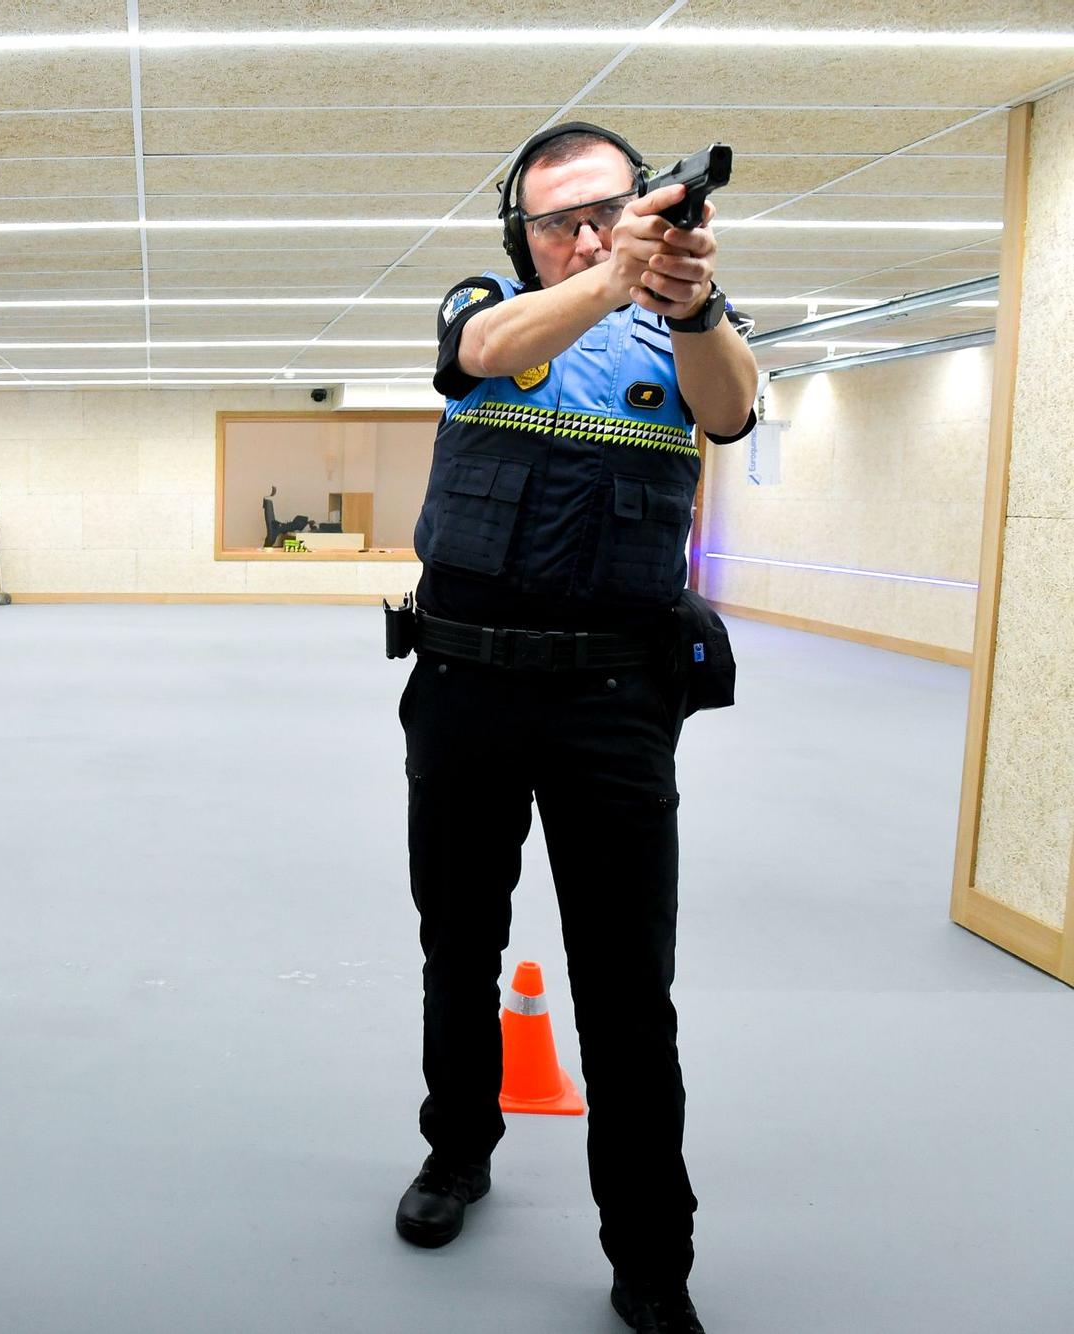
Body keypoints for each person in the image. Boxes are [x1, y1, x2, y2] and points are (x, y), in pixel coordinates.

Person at [391, 124, 757, 1334]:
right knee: (459, 947)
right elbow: (475, 353)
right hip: (464, 690)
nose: (588, 233)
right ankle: (457, 1152)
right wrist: (607, 275)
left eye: (610, 210)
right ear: (522, 236)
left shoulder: (689, 324)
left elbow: (731, 412)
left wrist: (687, 298)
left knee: (623, 991)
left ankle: (651, 1255)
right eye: (560, 220)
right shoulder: (491, 307)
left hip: (614, 707)